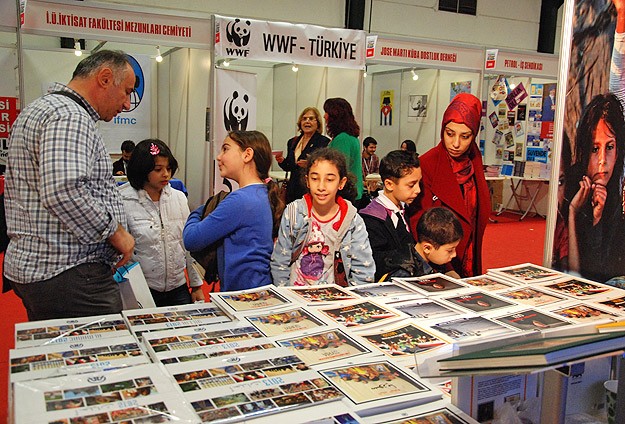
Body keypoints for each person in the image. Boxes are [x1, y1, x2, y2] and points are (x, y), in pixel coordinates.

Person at [4, 50, 136, 320]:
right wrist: (117, 234)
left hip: (49, 270)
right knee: (103, 356)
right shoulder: (70, 116)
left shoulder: (41, 110)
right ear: (105, 78)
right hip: (70, 272)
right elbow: (64, 190)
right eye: (126, 91)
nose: (126, 104)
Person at [183, 130, 284, 292]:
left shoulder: (240, 200)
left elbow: (191, 239)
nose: (219, 157)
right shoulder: (261, 193)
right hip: (255, 290)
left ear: (247, 155)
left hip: (243, 296)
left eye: (225, 149)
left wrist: (198, 211)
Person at [406, 93, 490, 278]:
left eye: (465, 136)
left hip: (468, 250)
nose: (456, 143)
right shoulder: (428, 164)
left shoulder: (473, 160)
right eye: (450, 134)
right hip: (439, 257)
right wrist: (447, 267)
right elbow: (420, 221)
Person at [271, 148, 375, 286]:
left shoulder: (352, 221)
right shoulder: (294, 212)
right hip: (296, 294)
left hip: (335, 298)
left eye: (330, 180)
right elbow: (280, 261)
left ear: (341, 183)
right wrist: (284, 294)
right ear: (307, 181)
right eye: (315, 178)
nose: (321, 186)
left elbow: (363, 269)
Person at [119, 139, 204, 306]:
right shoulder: (123, 200)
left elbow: (187, 246)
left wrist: (196, 285)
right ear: (142, 170)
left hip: (177, 286)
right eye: (158, 169)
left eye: (168, 168)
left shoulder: (179, 198)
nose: (165, 174)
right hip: (141, 288)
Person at [567, 93, 625, 282]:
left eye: (609, 147)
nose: (602, 162)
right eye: (595, 149)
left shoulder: (617, 187)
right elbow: (581, 276)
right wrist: (591, 219)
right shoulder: (571, 184)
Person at [359, 150, 421, 281]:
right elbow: (376, 260)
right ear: (389, 184)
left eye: (419, 183)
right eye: (411, 185)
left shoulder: (407, 209)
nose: (418, 190)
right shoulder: (371, 219)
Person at [275, 107, 330, 203]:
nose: (307, 121)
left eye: (311, 119)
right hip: (292, 189)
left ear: (318, 123)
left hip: (310, 189)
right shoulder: (293, 141)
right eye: (304, 119)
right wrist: (282, 161)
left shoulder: (323, 142)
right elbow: (289, 166)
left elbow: (326, 167)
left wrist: (310, 164)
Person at [323, 98, 364, 203]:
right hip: (353, 192)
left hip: (345, 194)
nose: (324, 116)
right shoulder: (351, 137)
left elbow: (338, 168)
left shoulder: (342, 139)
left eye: (326, 113)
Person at [414, 207, 463, 278]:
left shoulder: (435, 264)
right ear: (427, 248)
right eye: (450, 250)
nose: (454, 255)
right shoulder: (405, 272)